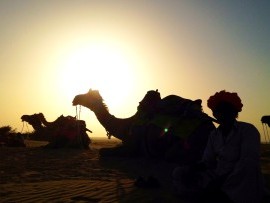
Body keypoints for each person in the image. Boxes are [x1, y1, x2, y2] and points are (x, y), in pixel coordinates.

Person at [172, 90, 265, 203]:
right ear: (214, 113)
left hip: (240, 177)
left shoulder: (248, 130)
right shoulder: (214, 135)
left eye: (226, 110)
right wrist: (192, 168)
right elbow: (208, 160)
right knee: (180, 172)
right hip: (218, 175)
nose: (221, 113)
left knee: (246, 171)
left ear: (234, 112)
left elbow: (248, 161)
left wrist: (221, 181)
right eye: (218, 111)